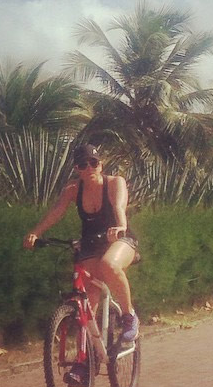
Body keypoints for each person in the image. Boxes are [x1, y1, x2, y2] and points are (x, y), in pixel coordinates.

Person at [24, 144, 140, 342]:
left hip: (120, 239)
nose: (89, 168)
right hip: (92, 243)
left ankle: (129, 317)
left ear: (101, 165)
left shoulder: (114, 183)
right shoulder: (72, 189)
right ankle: (84, 361)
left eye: (94, 163)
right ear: (76, 168)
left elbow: (120, 206)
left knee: (109, 264)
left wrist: (120, 227)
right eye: (83, 164)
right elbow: (56, 213)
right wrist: (35, 232)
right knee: (86, 308)